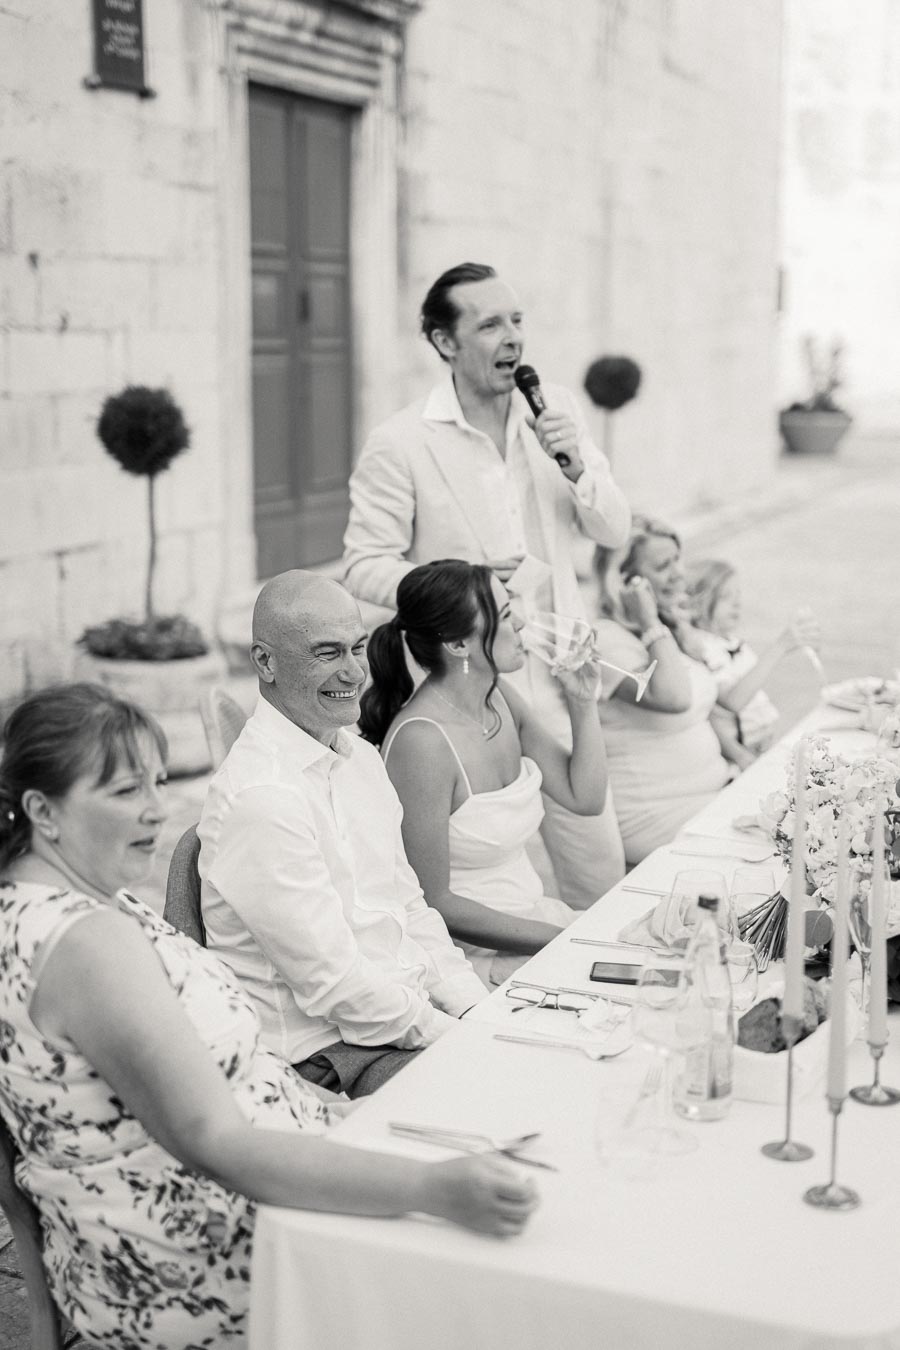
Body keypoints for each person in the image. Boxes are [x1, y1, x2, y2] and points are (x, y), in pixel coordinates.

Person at [0, 684, 536, 1350]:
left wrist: (353, 1117)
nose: (156, 810)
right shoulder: (87, 943)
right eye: (125, 791)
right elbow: (214, 1143)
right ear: (41, 810)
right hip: (205, 1253)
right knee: (496, 1272)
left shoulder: (66, 902)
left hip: (245, 1175)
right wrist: (430, 1187)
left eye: (158, 783)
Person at [342, 261, 631, 909]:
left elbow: (614, 528)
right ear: (445, 341)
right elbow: (362, 564)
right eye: (491, 324)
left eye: (518, 320)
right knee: (484, 871)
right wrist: (459, 588)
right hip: (469, 682)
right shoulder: (401, 441)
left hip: (562, 669)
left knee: (599, 865)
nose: (513, 337)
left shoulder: (557, 411)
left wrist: (576, 465)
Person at [198, 571, 489, 1099]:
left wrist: (475, 1007)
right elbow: (332, 984)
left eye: (357, 648)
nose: (354, 671)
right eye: (327, 653)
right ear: (265, 662)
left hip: (398, 1018)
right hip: (324, 1056)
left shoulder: (359, 758)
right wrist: (455, 1037)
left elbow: (410, 906)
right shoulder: (262, 797)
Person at [359, 559, 607, 987]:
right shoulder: (423, 743)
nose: (522, 623)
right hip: (472, 956)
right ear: (458, 644)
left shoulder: (498, 697)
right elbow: (433, 902)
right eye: (507, 614)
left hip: (534, 924)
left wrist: (583, 702)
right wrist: (561, 939)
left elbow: (585, 797)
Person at [592, 515, 732, 864]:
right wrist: (649, 621)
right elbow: (674, 698)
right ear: (627, 580)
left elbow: (704, 709)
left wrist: (742, 759)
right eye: (663, 566)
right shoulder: (606, 640)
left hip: (711, 792)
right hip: (656, 815)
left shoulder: (668, 630)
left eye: (677, 560)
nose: (679, 574)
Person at [685, 558, 822, 765]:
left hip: (764, 742)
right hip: (742, 753)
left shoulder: (731, 641)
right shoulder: (701, 647)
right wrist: (780, 647)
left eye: (737, 595)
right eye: (725, 597)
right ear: (698, 603)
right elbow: (733, 700)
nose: (737, 603)